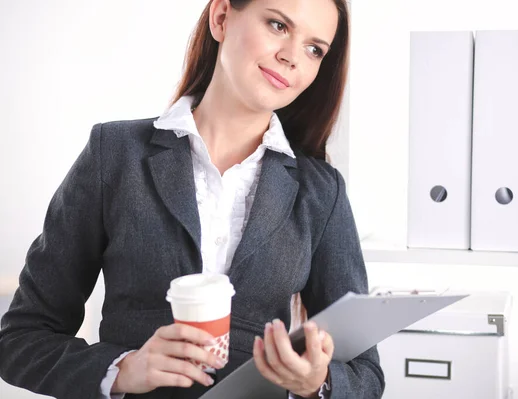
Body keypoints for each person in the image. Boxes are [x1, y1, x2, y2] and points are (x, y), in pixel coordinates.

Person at [0, 0, 385, 398]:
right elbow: (21, 339)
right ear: (221, 17)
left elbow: (366, 377)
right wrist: (123, 369)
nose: (291, 58)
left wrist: (315, 383)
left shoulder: (322, 192)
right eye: (277, 25)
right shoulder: (113, 154)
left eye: (314, 49)